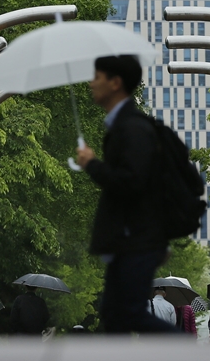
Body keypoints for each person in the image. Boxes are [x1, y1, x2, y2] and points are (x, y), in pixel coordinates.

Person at [76, 55, 178, 334]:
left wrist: (92, 165)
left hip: (137, 239)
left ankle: (189, 354)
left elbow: (133, 183)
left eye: (97, 77)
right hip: (129, 239)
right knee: (115, 314)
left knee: (129, 313)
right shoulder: (124, 126)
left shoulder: (132, 128)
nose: (90, 84)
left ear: (115, 83)